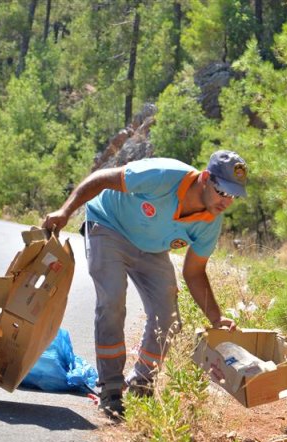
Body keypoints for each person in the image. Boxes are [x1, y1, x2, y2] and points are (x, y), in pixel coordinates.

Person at [42, 150, 248, 418]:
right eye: (223, 192)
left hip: (151, 249)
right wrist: (65, 211)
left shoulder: (210, 221)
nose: (227, 201)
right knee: (113, 300)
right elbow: (102, 178)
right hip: (108, 226)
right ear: (206, 178)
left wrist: (216, 317)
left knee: (169, 318)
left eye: (234, 196)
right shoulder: (163, 176)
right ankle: (111, 388)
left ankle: (141, 383)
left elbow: (195, 272)